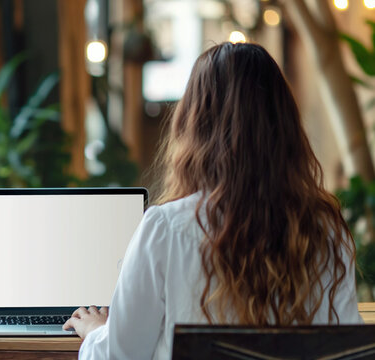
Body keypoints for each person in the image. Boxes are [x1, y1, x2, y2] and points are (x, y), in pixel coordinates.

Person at [62, 42, 363, 359]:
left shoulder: (166, 229)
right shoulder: (325, 230)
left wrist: (97, 332)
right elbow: (345, 348)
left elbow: (119, 356)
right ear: (285, 127)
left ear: (194, 125)